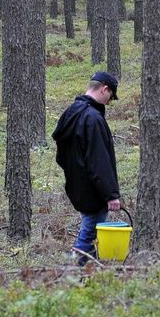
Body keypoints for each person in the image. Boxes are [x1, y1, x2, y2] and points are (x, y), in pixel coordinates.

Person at [52, 71, 122, 266]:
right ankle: (70, 275)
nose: (109, 102)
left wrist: (76, 175)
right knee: (89, 234)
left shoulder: (70, 112)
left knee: (88, 231)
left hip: (77, 186)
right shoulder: (93, 118)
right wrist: (111, 194)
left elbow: (61, 156)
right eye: (111, 96)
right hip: (94, 190)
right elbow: (99, 161)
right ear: (104, 89)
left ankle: (85, 274)